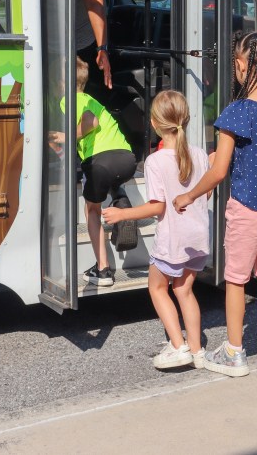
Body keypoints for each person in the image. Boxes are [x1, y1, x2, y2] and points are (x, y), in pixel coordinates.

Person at [173, 29, 257, 380]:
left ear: (239, 64)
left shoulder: (236, 112)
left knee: (236, 279)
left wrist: (189, 195)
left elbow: (218, 172)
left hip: (248, 209)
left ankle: (234, 352)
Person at [102, 90, 210, 370]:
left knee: (157, 288)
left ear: (153, 123)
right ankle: (197, 350)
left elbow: (157, 207)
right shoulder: (199, 155)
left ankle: (178, 346)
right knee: (185, 290)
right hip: (198, 237)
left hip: (173, 240)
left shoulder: (155, 161)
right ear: (185, 119)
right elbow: (204, 196)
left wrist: (122, 213)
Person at [49, 57, 136, 287]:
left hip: (100, 162)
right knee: (110, 177)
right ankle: (121, 199)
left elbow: (91, 121)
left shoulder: (69, 99)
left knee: (92, 211)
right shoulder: (91, 98)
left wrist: (67, 136)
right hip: (127, 159)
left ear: (62, 83)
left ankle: (103, 269)